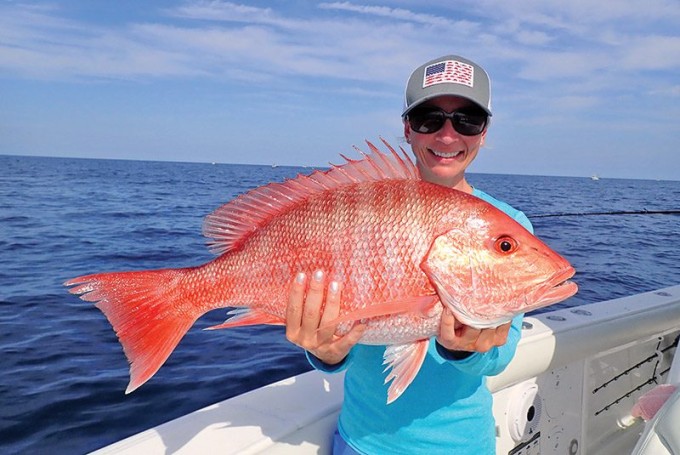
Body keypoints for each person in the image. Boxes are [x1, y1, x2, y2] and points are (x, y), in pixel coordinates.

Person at [285, 55, 534, 454]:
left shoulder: (509, 223)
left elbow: (499, 356)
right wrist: (325, 353)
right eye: (429, 118)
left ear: (484, 132)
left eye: (467, 119)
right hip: (361, 442)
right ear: (407, 129)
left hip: (463, 445)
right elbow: (334, 347)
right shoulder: (363, 199)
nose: (448, 136)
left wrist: (461, 348)